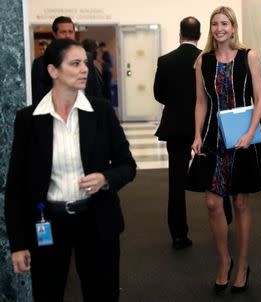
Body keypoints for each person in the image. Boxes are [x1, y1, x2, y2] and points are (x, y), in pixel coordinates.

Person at [5, 39, 136, 301]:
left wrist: (106, 178)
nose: (84, 69)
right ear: (53, 71)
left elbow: (128, 165)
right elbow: (16, 186)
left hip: (96, 218)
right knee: (48, 292)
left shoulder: (100, 112)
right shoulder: (29, 120)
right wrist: (18, 244)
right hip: (48, 223)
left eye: (85, 63)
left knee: (102, 293)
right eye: (75, 64)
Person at [186, 6, 261, 294]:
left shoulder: (248, 56)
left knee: (240, 203)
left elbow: (260, 99)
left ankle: (243, 264)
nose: (219, 28)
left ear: (234, 27)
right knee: (213, 203)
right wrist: (197, 134)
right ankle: (225, 260)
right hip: (213, 136)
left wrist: (251, 133)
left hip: (242, 135)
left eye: (224, 23)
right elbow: (201, 102)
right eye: (215, 24)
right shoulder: (203, 61)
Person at [153, 16, 201, 250]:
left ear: (180, 35)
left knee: (176, 182)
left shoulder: (165, 60)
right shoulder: (208, 59)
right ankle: (226, 218)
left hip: (175, 127)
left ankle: (179, 235)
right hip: (204, 127)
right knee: (216, 177)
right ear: (200, 35)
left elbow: (158, 94)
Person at [31, 16, 102, 105]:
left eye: (70, 32)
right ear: (55, 34)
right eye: (63, 32)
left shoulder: (87, 58)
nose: (67, 36)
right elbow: (38, 94)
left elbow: (94, 88)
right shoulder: (41, 63)